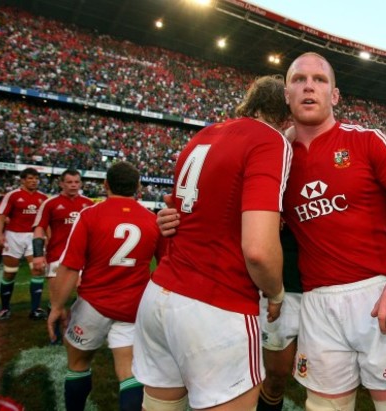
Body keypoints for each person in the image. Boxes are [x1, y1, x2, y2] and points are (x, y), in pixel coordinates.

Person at [282, 52, 386, 410]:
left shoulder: (367, 141)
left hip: (378, 299)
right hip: (316, 302)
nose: (309, 85)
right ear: (286, 94)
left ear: (335, 96)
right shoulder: (275, 160)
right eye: (299, 79)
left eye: (320, 80)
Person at [132, 75, 292, 411]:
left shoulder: (203, 134)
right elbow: (259, 250)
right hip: (216, 305)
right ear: (286, 117)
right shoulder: (271, 140)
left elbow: (178, 212)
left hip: (160, 296)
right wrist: (276, 293)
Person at [47, 161, 162, 411]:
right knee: (129, 373)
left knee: (78, 364)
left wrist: (57, 306)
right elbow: (165, 267)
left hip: (93, 304)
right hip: (133, 307)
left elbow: (69, 267)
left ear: (105, 184)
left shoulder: (90, 214)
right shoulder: (151, 220)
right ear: (138, 188)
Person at [32, 169, 94, 343]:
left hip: (83, 259)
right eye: (69, 182)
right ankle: (57, 335)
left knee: (86, 298)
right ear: (61, 184)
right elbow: (38, 228)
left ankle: (78, 332)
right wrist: (38, 255)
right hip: (57, 257)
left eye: (76, 182)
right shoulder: (50, 204)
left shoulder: (89, 204)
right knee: (57, 300)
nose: (73, 185)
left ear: (81, 183)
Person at [257, 221, 303, 411]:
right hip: (284, 287)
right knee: (276, 376)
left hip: (327, 286)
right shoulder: (270, 191)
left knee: (329, 378)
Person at [0, 168, 48, 320]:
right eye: (30, 178)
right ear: (22, 180)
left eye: (36, 178)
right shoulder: (12, 195)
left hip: (34, 236)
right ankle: (5, 308)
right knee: (10, 272)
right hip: (13, 236)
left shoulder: (43, 197)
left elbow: (46, 222)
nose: (34, 181)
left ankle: (35, 309)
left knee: (38, 270)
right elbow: (0, 217)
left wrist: (48, 239)